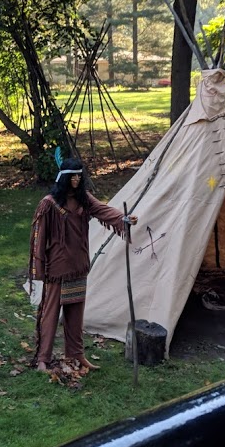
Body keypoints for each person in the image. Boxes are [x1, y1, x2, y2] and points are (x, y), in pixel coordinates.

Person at [29, 157, 136, 372]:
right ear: (65, 178)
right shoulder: (49, 204)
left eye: (79, 176)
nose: (77, 180)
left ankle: (76, 354)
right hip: (57, 269)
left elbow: (103, 210)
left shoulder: (84, 199)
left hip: (78, 266)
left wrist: (123, 219)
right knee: (50, 314)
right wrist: (38, 269)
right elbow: (38, 239)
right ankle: (43, 358)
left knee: (76, 313)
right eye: (73, 176)